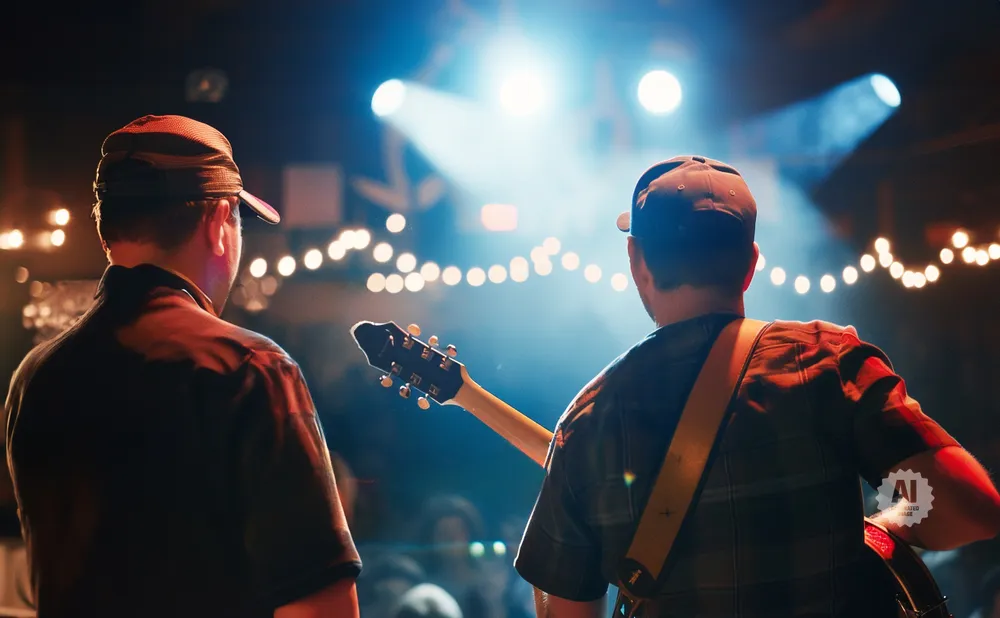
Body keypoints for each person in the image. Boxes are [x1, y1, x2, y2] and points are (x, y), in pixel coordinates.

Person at [513, 155, 1000, 618]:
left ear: (637, 261)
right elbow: (967, 505)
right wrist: (882, 528)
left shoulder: (589, 418)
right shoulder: (825, 362)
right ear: (750, 263)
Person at [4, 115, 362, 618]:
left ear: (109, 230)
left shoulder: (34, 378)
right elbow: (322, 605)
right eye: (240, 222)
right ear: (219, 222)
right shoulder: (250, 369)